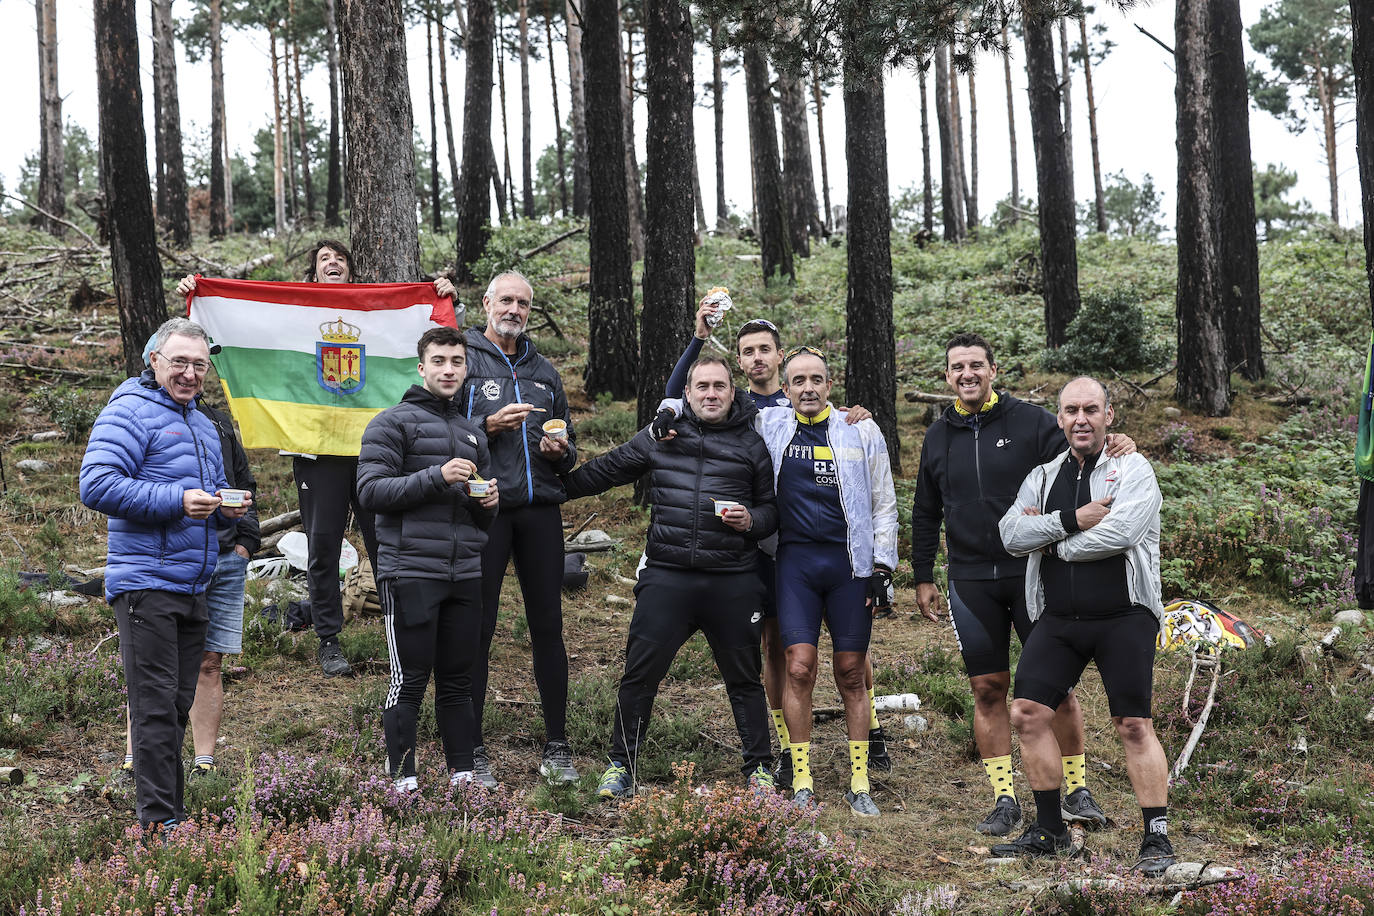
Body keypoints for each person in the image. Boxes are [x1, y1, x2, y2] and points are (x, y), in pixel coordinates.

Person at [176, 241, 458, 678]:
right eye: (325, 259)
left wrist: (440, 299)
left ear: (350, 270)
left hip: (375, 452)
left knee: (386, 544)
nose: (334, 263)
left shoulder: (374, 316)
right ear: (313, 274)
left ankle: (398, 632)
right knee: (323, 547)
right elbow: (246, 326)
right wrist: (201, 296)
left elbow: (436, 344)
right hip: (317, 452)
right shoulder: (295, 316)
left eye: (341, 258)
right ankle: (329, 638)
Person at [663, 300, 892, 788]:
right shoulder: (752, 414)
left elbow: (874, 493)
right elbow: (684, 398)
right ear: (742, 362)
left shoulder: (832, 418)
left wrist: (882, 564)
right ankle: (790, 751)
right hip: (774, 551)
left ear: (781, 357)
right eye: (748, 352)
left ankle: (871, 730)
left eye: (766, 349)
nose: (758, 358)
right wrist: (698, 340)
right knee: (783, 651)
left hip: (837, 555)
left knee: (852, 655)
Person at [911, 333, 1132, 836]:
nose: (966, 374)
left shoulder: (1033, 422)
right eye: (956, 367)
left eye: (976, 365)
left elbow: (1084, 460)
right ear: (947, 377)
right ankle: (1004, 798)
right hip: (969, 579)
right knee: (987, 689)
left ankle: (1076, 789)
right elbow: (925, 511)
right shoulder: (937, 436)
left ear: (993, 370)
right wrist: (922, 576)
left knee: (1056, 688)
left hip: (1032, 574)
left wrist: (1118, 444)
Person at [563, 356, 779, 798]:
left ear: (733, 392)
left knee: (744, 679)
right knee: (639, 676)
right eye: (702, 386)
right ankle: (620, 766)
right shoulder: (662, 435)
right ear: (688, 392)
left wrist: (751, 521)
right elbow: (606, 470)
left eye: (720, 386)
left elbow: (772, 510)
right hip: (667, 576)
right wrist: (543, 489)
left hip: (733, 579)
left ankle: (759, 769)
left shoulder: (751, 443)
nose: (711, 394)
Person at [994, 377, 1174, 875]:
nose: (1081, 419)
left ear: (1108, 415)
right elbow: (1011, 533)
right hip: (1059, 618)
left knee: (1133, 724)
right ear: (1059, 419)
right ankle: (1051, 831)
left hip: (1125, 616)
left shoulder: (1133, 468)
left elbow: (1121, 532)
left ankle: (1156, 837)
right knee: (1028, 713)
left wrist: (1048, 539)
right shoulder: (1043, 475)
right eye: (1071, 410)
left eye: (1091, 409)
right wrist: (1071, 520)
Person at [80, 318, 251, 832]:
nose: (190, 373)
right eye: (179, 361)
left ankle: (171, 814)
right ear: (153, 359)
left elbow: (216, 489)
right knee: (154, 708)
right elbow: (96, 485)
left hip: (194, 583)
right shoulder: (129, 410)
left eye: (199, 365)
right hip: (145, 586)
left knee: (176, 707)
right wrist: (177, 501)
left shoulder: (201, 422)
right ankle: (160, 826)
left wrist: (227, 509)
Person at [754, 347, 898, 816]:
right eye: (798, 381)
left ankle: (860, 782)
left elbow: (883, 501)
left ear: (830, 386)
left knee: (852, 672)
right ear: (786, 388)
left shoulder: (860, 428)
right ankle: (801, 777)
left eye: (816, 379)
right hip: (794, 562)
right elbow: (704, 404)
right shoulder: (769, 425)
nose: (808, 388)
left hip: (849, 566)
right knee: (798, 667)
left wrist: (883, 568)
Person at [357, 326, 499, 791]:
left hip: (465, 573)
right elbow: (371, 492)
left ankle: (462, 777)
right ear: (421, 367)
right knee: (410, 680)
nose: (449, 369)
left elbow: (480, 522)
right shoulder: (390, 423)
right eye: (439, 361)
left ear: (466, 368)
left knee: (458, 681)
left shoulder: (474, 433)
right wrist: (436, 475)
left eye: (457, 361)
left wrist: (488, 504)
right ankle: (402, 782)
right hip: (410, 570)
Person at [461, 270, 578, 787]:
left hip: (539, 513)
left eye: (523, 303)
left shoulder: (545, 372)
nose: (514, 309)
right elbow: (436, 430)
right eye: (505, 300)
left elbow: (569, 448)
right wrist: (484, 427)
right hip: (485, 511)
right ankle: (473, 747)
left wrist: (562, 450)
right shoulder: (461, 358)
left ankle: (558, 745)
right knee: (478, 629)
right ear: (486, 303)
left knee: (548, 627)